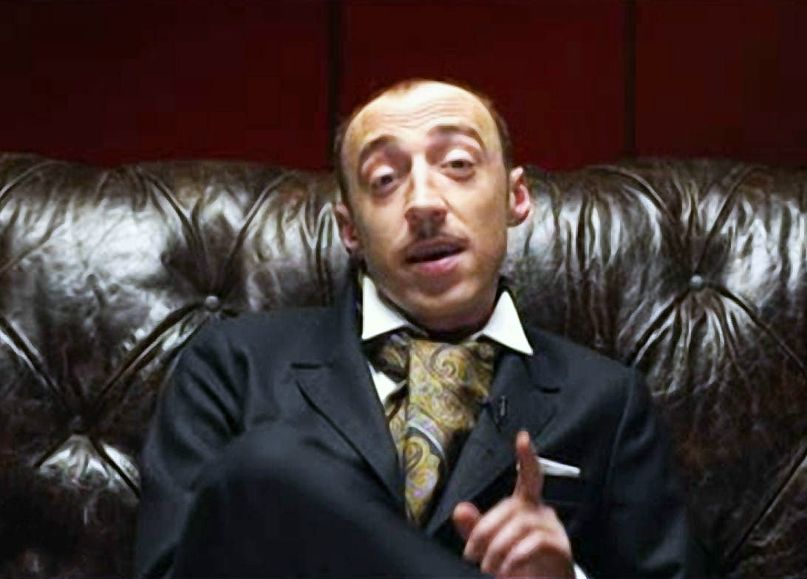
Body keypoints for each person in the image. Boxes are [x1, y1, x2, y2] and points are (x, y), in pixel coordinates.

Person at [134, 79, 701, 578]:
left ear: (516, 197)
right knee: (267, 466)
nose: (424, 203)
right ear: (350, 229)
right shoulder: (234, 364)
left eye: (458, 164)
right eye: (384, 179)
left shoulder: (606, 401)